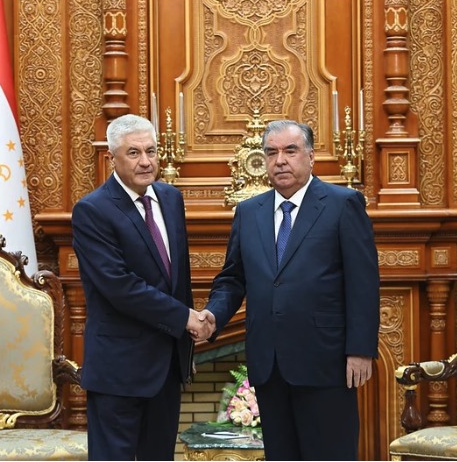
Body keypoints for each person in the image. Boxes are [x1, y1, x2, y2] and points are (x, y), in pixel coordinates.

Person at [198, 120, 380, 460]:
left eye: (290, 151)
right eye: (272, 153)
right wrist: (213, 315)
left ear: (310, 157)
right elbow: (233, 279)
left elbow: (363, 281)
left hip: (326, 361)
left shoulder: (342, 204)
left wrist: (360, 349)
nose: (280, 160)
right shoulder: (248, 212)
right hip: (269, 364)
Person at [72, 114, 212, 460]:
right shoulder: (92, 210)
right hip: (118, 371)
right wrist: (185, 318)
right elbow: (119, 286)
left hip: (166, 367)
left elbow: (178, 279)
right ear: (112, 158)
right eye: (133, 153)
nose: (146, 161)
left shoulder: (170, 198)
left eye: (151, 151)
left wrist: (185, 349)